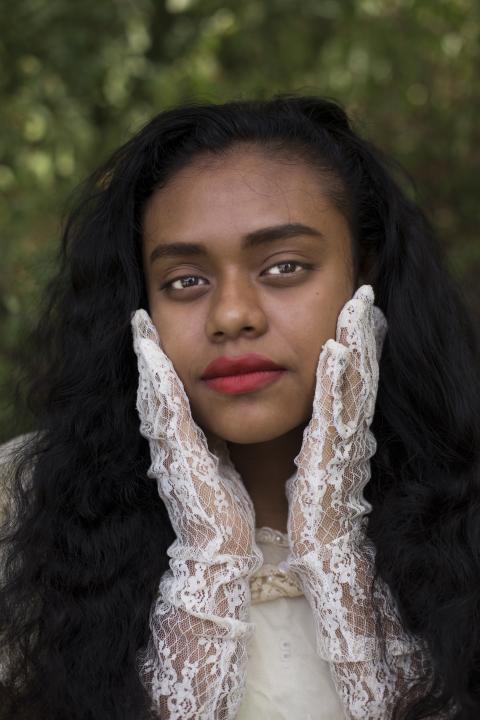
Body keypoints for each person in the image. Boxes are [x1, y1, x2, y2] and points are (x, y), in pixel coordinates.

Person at [0, 94, 478, 720]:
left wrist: (333, 533)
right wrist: (212, 548)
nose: (231, 316)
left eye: (284, 266)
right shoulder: (20, 503)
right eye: (185, 281)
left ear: (367, 274)